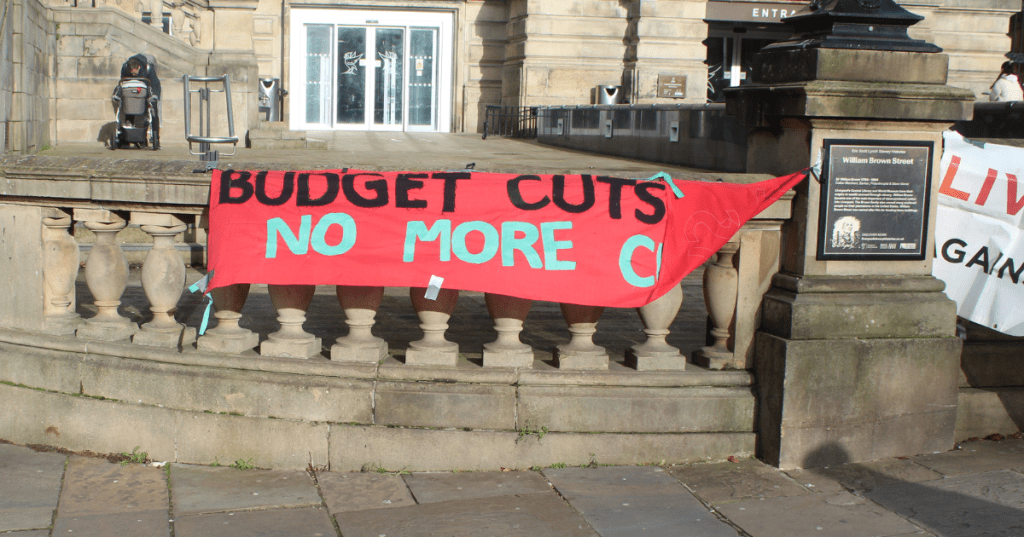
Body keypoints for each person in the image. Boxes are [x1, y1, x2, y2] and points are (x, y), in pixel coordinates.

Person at [119, 54, 161, 149]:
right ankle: (128, 137)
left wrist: (153, 96)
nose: (134, 75)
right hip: (133, 90)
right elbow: (123, 81)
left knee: (152, 110)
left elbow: (154, 84)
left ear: (138, 67)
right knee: (129, 106)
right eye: (132, 73)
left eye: (135, 73)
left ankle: (156, 138)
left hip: (147, 87)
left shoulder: (148, 68)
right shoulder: (125, 67)